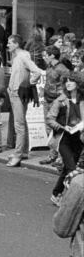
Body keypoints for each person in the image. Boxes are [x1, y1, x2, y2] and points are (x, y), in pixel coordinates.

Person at [6, 34, 46, 167]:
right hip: (15, 93)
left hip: (18, 94)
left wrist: (29, 83)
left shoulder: (22, 56)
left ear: (16, 44)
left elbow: (37, 71)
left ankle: (18, 155)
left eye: (10, 43)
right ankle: (23, 152)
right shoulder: (18, 56)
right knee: (22, 122)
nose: (8, 45)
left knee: (19, 125)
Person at [48, 73, 84, 206]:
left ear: (78, 84)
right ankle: (69, 200)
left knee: (66, 170)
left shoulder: (82, 100)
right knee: (72, 169)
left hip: (78, 139)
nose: (68, 84)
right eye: (67, 82)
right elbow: (49, 119)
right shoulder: (61, 100)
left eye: (71, 81)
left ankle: (56, 193)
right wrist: (63, 127)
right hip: (64, 139)